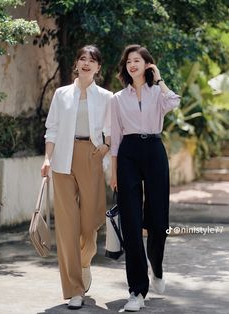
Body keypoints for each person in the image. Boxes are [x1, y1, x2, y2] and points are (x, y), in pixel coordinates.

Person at [41, 45, 112, 310]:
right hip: (62, 158)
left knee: (90, 224)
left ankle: (84, 262)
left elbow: (111, 128)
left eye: (91, 60)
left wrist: (105, 147)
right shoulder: (61, 94)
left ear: (98, 68)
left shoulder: (106, 96)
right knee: (67, 227)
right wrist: (47, 158)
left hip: (90, 156)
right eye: (82, 58)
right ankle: (75, 289)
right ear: (76, 64)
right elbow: (52, 129)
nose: (86, 63)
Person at [110, 44, 180, 312]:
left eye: (137, 60)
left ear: (147, 64)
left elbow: (174, 101)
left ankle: (157, 268)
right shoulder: (117, 98)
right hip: (128, 152)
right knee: (131, 221)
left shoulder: (157, 94)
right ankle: (136, 291)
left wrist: (159, 78)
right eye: (128, 61)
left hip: (153, 149)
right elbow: (115, 138)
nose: (132, 65)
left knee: (158, 217)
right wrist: (113, 172)